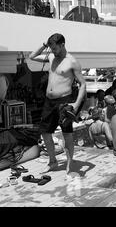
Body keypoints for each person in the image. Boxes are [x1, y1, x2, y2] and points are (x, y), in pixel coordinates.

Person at [29, 33, 86, 174]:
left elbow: (83, 84)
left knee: (67, 134)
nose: (53, 51)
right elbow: (32, 56)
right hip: (49, 102)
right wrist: (44, 45)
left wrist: (76, 105)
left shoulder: (72, 62)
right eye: (51, 48)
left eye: (55, 48)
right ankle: (52, 161)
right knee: (45, 133)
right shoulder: (51, 56)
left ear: (62, 45)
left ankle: (70, 164)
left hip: (64, 101)